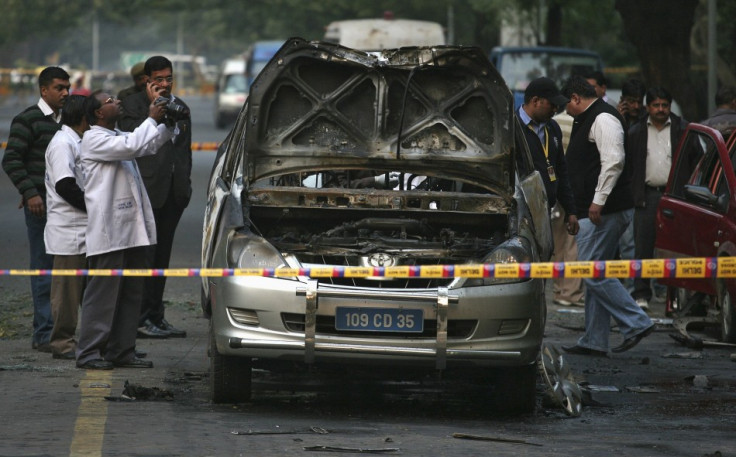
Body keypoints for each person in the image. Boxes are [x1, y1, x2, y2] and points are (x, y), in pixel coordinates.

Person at [75, 88, 174, 370]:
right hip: (109, 232)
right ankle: (89, 352)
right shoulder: (93, 139)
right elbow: (133, 145)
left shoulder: (116, 135)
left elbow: (146, 145)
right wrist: (151, 118)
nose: (117, 102)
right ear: (97, 113)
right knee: (103, 295)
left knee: (131, 292)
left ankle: (121, 350)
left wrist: (170, 123)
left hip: (129, 230)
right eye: (110, 101)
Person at [560, 75, 654, 356]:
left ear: (576, 98)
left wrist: (597, 202)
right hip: (597, 211)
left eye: (566, 103)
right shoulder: (590, 116)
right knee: (596, 271)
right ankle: (594, 339)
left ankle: (637, 322)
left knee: (591, 271)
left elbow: (613, 162)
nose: (564, 110)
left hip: (606, 212)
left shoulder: (603, 118)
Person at [119, 56, 192, 339]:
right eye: (158, 79)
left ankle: (156, 316)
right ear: (146, 80)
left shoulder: (180, 106)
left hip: (174, 193)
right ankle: (138, 319)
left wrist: (185, 186)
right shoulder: (131, 107)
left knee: (162, 259)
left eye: (168, 79)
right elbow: (130, 142)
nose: (164, 84)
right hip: (145, 192)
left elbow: (184, 151)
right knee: (143, 258)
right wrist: (153, 112)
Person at [2, 66, 70, 353]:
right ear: (44, 90)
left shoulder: (70, 120)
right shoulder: (27, 119)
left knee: (69, 272)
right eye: (59, 88)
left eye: (67, 87)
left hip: (68, 206)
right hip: (41, 208)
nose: (65, 92)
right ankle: (43, 334)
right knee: (43, 269)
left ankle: (65, 331)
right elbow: (12, 159)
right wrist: (30, 193)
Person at [628, 87, 688, 311]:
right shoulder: (636, 132)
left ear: (670, 106)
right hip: (647, 196)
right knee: (642, 246)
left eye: (664, 105)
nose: (661, 109)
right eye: (656, 105)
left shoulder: (683, 129)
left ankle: (673, 294)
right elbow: (629, 166)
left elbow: (695, 161)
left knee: (675, 247)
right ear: (648, 107)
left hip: (675, 197)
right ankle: (641, 293)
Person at [44, 95, 89, 360]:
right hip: (69, 230)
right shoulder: (63, 143)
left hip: (85, 228)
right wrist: (94, 206)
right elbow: (65, 186)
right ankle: (62, 344)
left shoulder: (79, 140)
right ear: (84, 118)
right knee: (67, 294)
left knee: (87, 290)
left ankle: (91, 341)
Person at [517, 77, 578, 232]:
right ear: (535, 101)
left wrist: (570, 210)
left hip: (546, 212)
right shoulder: (512, 127)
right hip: (519, 215)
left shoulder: (553, 128)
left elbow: (561, 171)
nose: (555, 109)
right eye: (552, 104)